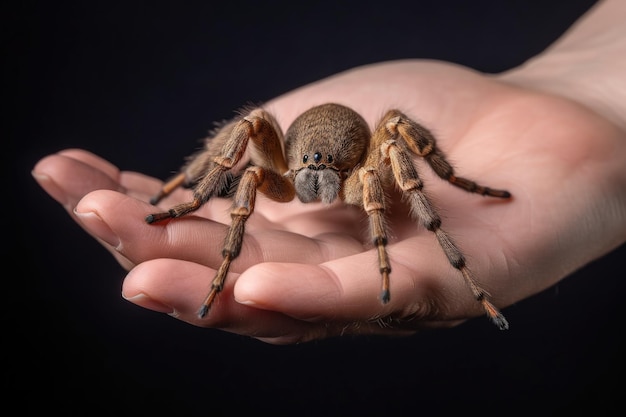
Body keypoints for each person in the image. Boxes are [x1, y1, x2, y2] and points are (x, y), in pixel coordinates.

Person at [32, 0, 626, 344]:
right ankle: (184, 198)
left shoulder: (364, 166)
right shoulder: (283, 172)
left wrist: (439, 202)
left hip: (356, 156)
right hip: (291, 153)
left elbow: (391, 151)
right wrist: (188, 197)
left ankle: (446, 224)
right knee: (249, 135)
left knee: (390, 149)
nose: (315, 180)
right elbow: (243, 147)